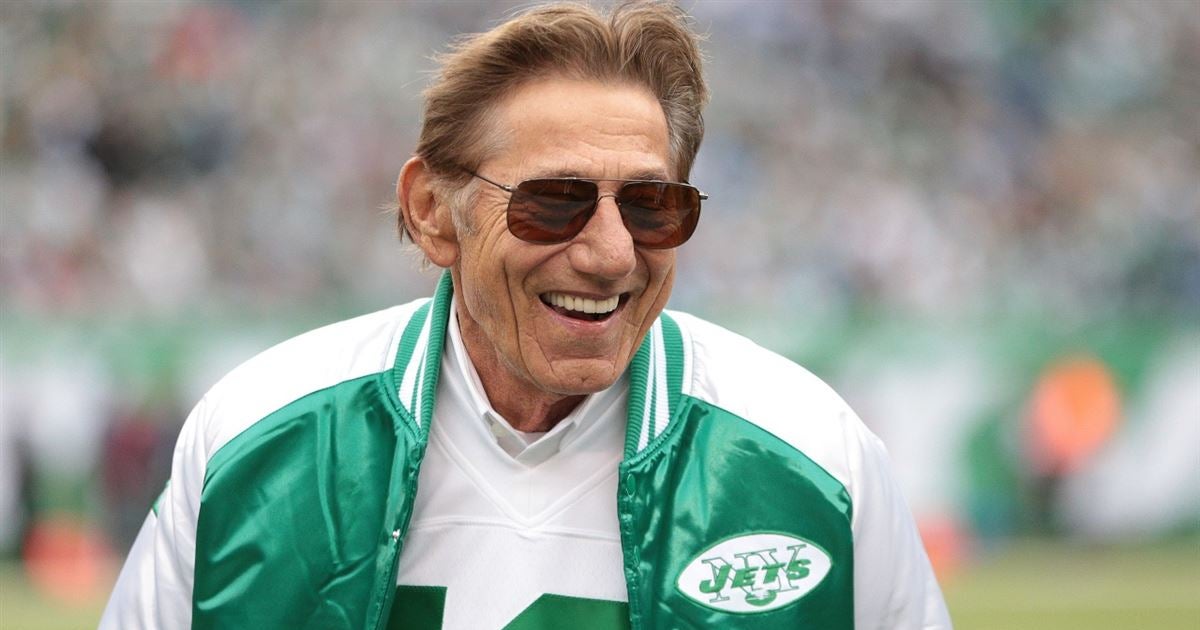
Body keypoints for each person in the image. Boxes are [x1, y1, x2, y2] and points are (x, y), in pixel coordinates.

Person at [101, 2, 951, 628]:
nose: (612, 253)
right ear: (433, 212)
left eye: (653, 205)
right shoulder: (255, 441)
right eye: (554, 202)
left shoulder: (814, 461)